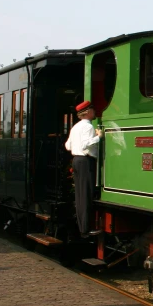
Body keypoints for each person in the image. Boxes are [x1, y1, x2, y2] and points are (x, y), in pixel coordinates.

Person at [65, 101, 102, 237]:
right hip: (85, 161)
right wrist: (98, 137)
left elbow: (68, 146)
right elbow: (86, 144)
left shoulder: (75, 127)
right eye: (92, 109)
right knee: (87, 194)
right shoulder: (88, 127)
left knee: (80, 195)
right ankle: (86, 229)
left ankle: (83, 227)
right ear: (87, 112)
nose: (94, 111)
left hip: (76, 160)